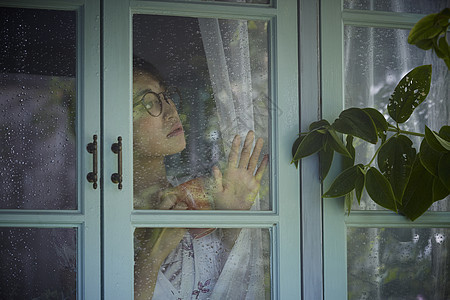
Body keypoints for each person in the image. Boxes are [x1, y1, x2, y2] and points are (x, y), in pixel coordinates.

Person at [132, 57, 268, 299]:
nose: (171, 110)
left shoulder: (206, 192)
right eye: (150, 103)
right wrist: (151, 257)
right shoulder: (82, 223)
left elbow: (241, 284)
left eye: (166, 96)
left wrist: (232, 227)